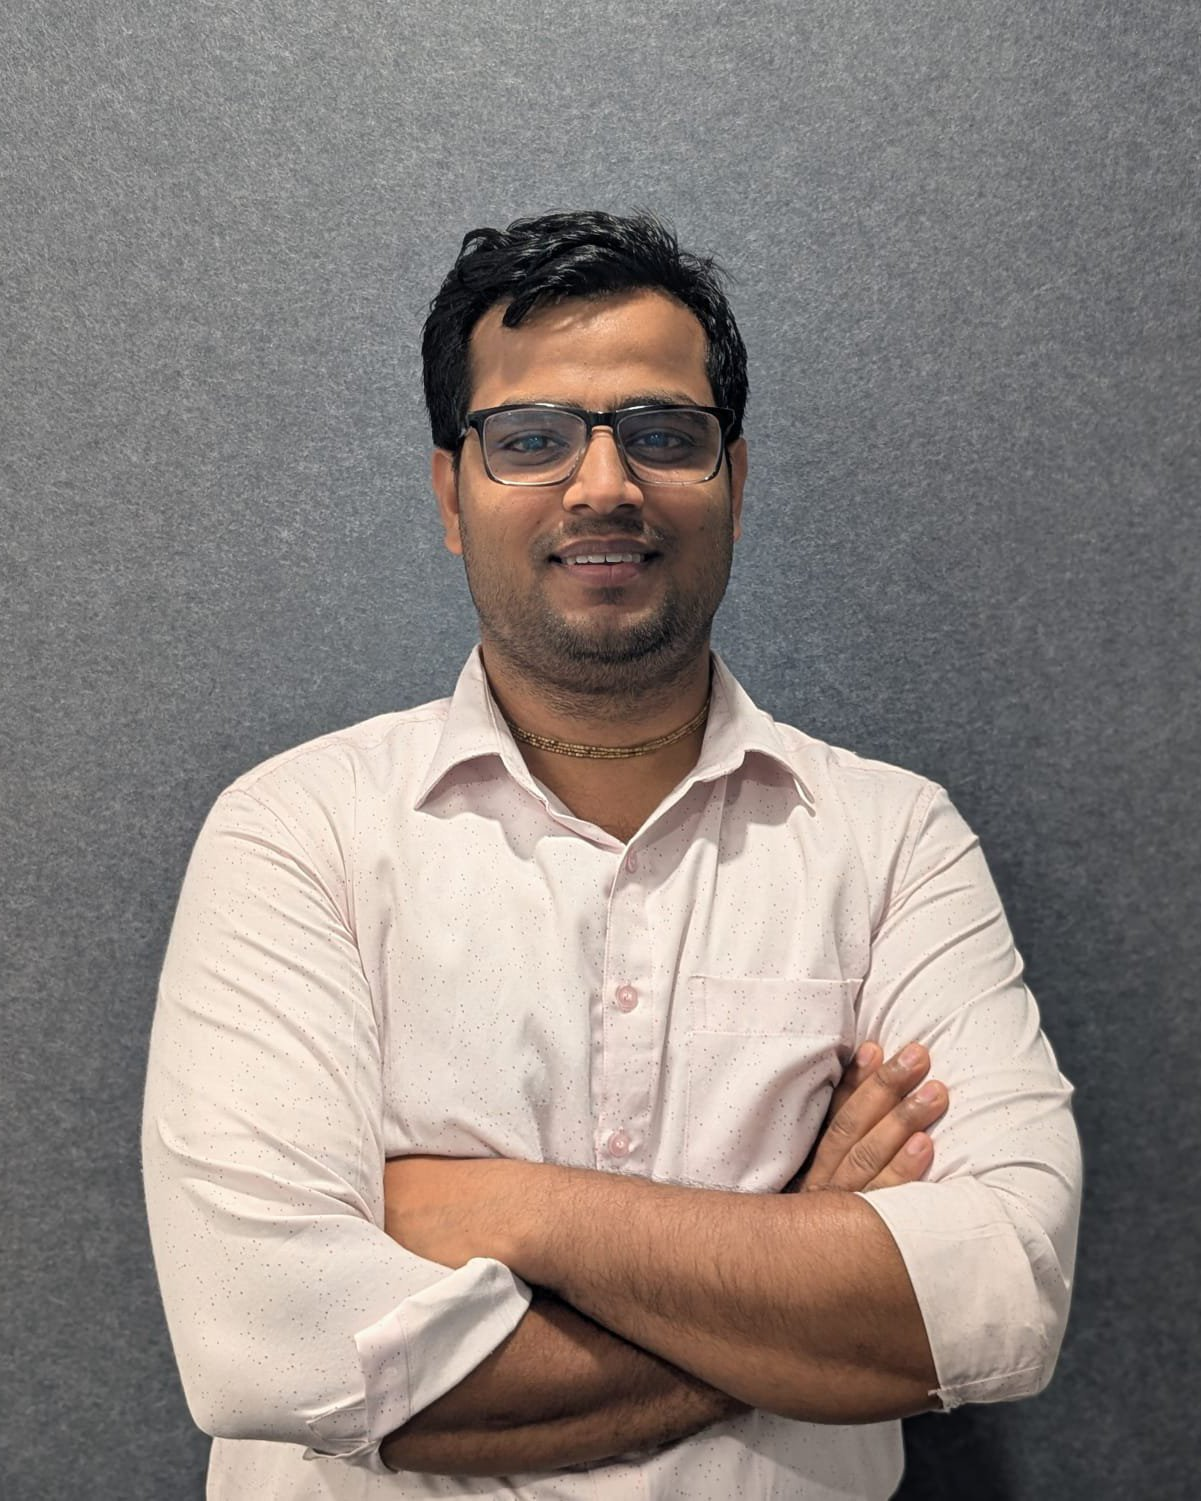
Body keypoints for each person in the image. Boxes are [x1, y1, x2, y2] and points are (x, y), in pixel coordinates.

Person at [141, 209, 1082, 1500]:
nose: (603, 486)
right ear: (452, 496)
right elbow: (269, 1347)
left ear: (734, 482)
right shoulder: (296, 833)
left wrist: (518, 1211)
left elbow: (1005, 1291)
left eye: (663, 434)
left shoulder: (893, 842)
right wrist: (800, 1259)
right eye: (531, 439)